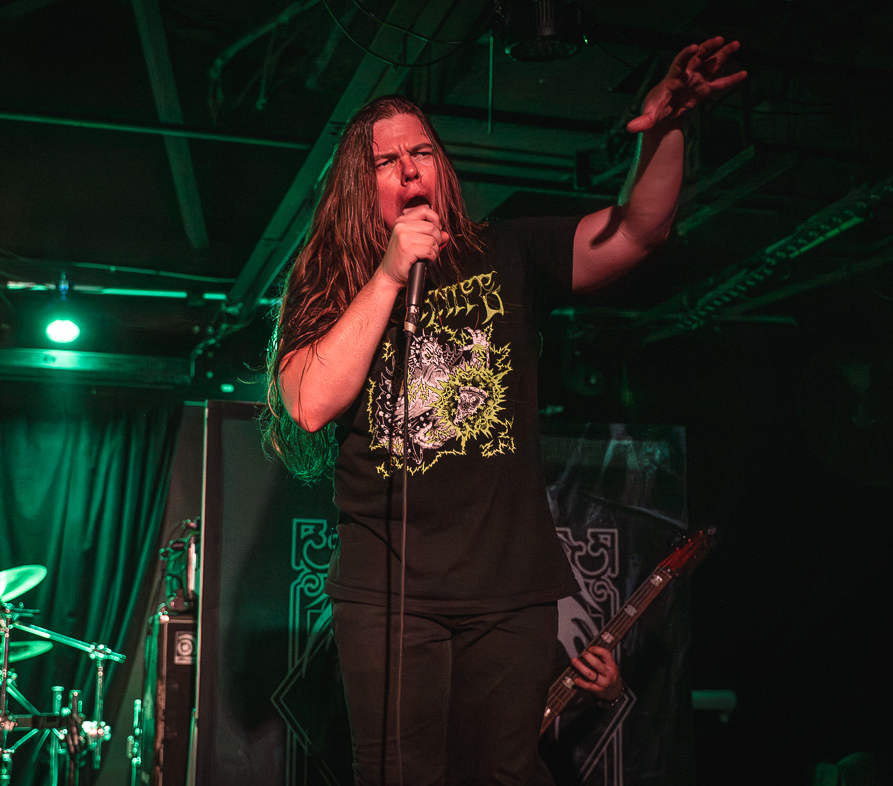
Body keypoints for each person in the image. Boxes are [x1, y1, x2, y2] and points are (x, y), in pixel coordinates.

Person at [263, 37, 745, 785]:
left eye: (422, 152)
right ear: (361, 187)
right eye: (387, 162)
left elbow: (635, 232)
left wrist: (669, 127)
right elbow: (309, 403)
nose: (410, 169)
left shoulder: (506, 250)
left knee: (507, 774)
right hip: (389, 592)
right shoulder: (330, 283)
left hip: (508, 588)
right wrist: (388, 274)